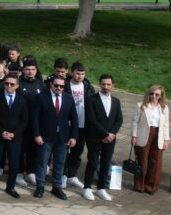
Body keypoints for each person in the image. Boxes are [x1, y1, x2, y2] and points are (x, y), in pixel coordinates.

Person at [32, 75, 78, 200]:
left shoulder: (69, 99)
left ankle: (56, 187)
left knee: (60, 163)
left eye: (61, 86)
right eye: (56, 85)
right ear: (51, 84)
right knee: (42, 162)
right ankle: (40, 186)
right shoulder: (41, 97)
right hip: (45, 136)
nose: (58, 88)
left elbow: (74, 119)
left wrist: (74, 136)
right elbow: (35, 118)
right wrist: (37, 134)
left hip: (62, 137)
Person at [81, 75, 123, 201]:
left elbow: (119, 120)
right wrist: (105, 134)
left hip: (110, 138)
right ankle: (87, 188)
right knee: (93, 162)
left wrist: (112, 134)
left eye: (108, 84)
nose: (106, 87)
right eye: (103, 84)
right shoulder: (91, 99)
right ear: (100, 84)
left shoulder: (116, 101)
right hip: (95, 137)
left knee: (106, 163)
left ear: (112, 85)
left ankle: (101, 188)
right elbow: (91, 119)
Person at [0, 75, 28, 198]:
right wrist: (1, 132)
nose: (9, 86)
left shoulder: (22, 100)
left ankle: (10, 187)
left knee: (14, 163)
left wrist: (14, 133)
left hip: (15, 138)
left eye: (12, 84)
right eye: (7, 83)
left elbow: (24, 120)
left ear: (17, 86)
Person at [131, 85, 171, 195]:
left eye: (157, 94)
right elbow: (135, 122)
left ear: (161, 96)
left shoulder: (164, 108)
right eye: (151, 93)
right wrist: (134, 136)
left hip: (158, 135)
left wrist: (166, 140)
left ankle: (151, 186)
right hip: (143, 135)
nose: (153, 96)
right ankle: (140, 185)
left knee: (156, 162)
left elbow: (166, 125)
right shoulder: (141, 106)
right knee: (142, 161)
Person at [63, 62, 95, 190]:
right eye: (77, 73)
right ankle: (62, 175)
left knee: (78, 151)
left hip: (82, 124)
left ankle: (72, 175)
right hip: (67, 124)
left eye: (82, 74)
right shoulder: (65, 85)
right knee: (63, 150)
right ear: (71, 73)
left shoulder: (88, 87)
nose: (80, 76)